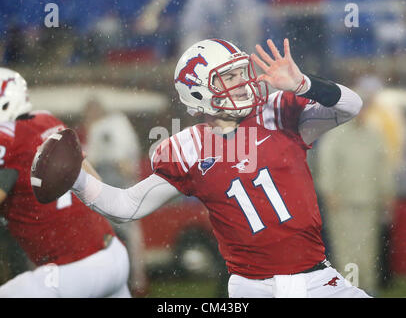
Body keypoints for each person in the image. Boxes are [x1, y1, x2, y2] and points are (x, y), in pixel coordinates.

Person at [69, 38, 370, 297]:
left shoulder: (276, 112)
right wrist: (77, 177)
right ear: (198, 91)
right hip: (252, 287)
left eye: (241, 72)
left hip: (316, 278)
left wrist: (305, 84)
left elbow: (351, 106)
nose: (242, 82)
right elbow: (126, 205)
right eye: (228, 76)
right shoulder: (186, 149)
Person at [0, 67, 131, 298]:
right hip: (113, 253)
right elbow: (95, 180)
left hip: (69, 271)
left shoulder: (6, 138)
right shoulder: (47, 120)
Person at [316, 89, 395, 296]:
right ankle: (349, 291)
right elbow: (327, 164)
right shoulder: (336, 134)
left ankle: (367, 289)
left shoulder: (374, 134)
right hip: (343, 202)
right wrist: (329, 192)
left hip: (369, 201)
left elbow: (382, 165)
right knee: (346, 250)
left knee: (368, 249)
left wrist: (386, 193)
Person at [77, 99, 149, 297]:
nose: (89, 118)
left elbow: (124, 164)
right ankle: (120, 283)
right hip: (103, 197)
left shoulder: (113, 128)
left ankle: (135, 284)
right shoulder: (91, 134)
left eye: (92, 112)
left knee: (128, 240)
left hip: (119, 193)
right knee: (110, 241)